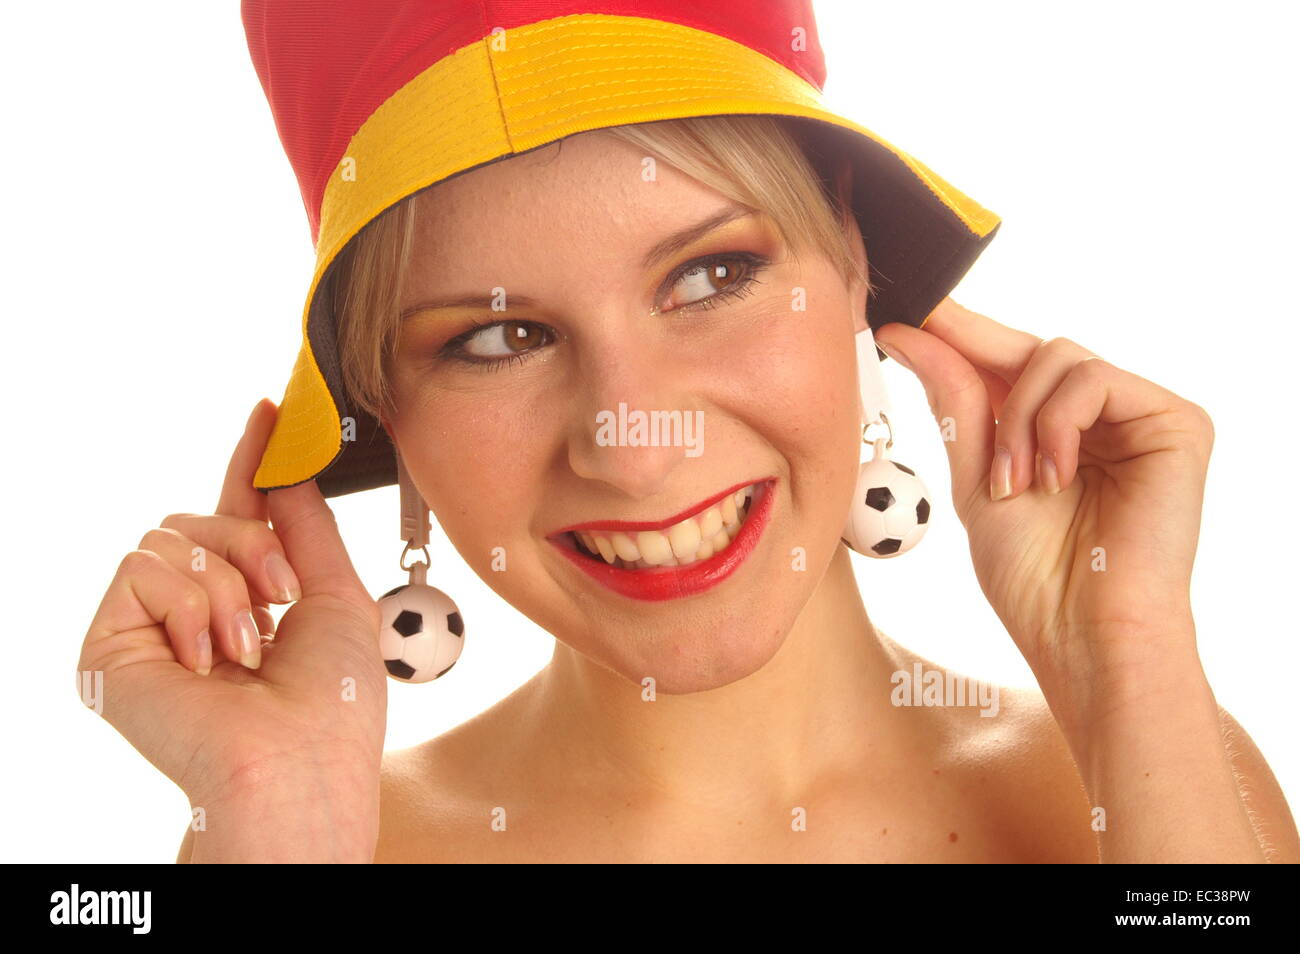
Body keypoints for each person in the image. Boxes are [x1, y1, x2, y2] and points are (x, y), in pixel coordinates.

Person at [78, 1, 1299, 863]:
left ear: (854, 263)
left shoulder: (1152, 783)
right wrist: (275, 832)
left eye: (711, 276)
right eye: (497, 340)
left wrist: (1125, 657)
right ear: (386, 415)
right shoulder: (322, 849)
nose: (635, 441)